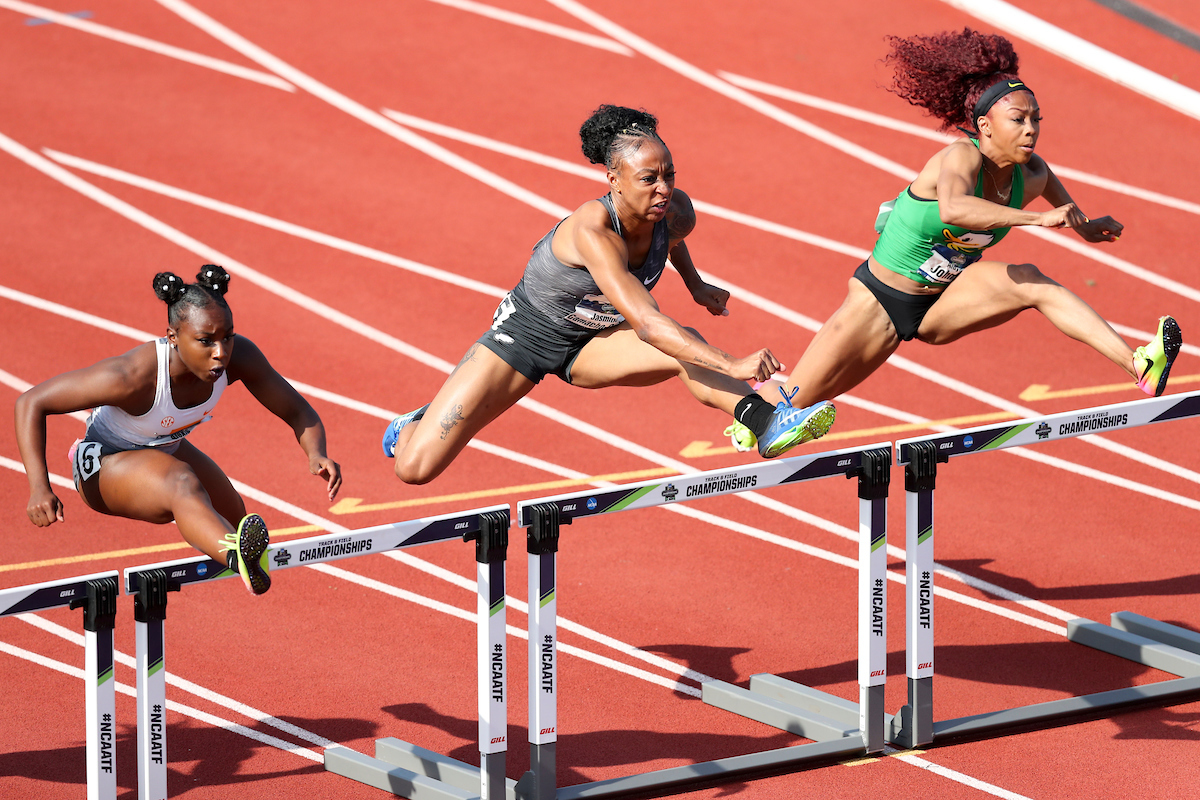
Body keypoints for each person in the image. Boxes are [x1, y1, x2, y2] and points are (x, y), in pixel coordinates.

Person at [725, 28, 1181, 451]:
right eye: (1018, 119)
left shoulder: (1034, 174)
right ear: (985, 126)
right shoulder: (959, 157)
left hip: (944, 299)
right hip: (880, 299)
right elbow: (955, 209)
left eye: (1036, 120)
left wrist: (1088, 226)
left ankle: (1139, 365)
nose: (1031, 129)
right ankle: (753, 423)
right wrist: (1036, 222)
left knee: (1031, 280)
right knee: (796, 402)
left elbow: (1069, 213)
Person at [383, 104, 836, 480]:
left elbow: (671, 243)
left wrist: (695, 285)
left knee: (684, 347)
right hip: (523, 341)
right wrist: (733, 363)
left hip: (591, 344)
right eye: (648, 179)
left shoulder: (675, 212)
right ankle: (416, 421)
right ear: (614, 181)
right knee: (416, 469)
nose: (663, 188)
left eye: (669, 175)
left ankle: (765, 420)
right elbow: (646, 322)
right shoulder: (593, 231)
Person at [15, 265, 341, 595]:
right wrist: (39, 488)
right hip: (104, 465)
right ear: (173, 337)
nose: (221, 353)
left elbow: (297, 409)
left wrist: (316, 452)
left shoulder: (238, 357)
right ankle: (235, 555)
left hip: (161, 447)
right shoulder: (132, 377)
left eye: (227, 336)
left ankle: (237, 551)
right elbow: (31, 402)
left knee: (233, 516)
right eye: (205, 341)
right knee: (182, 482)